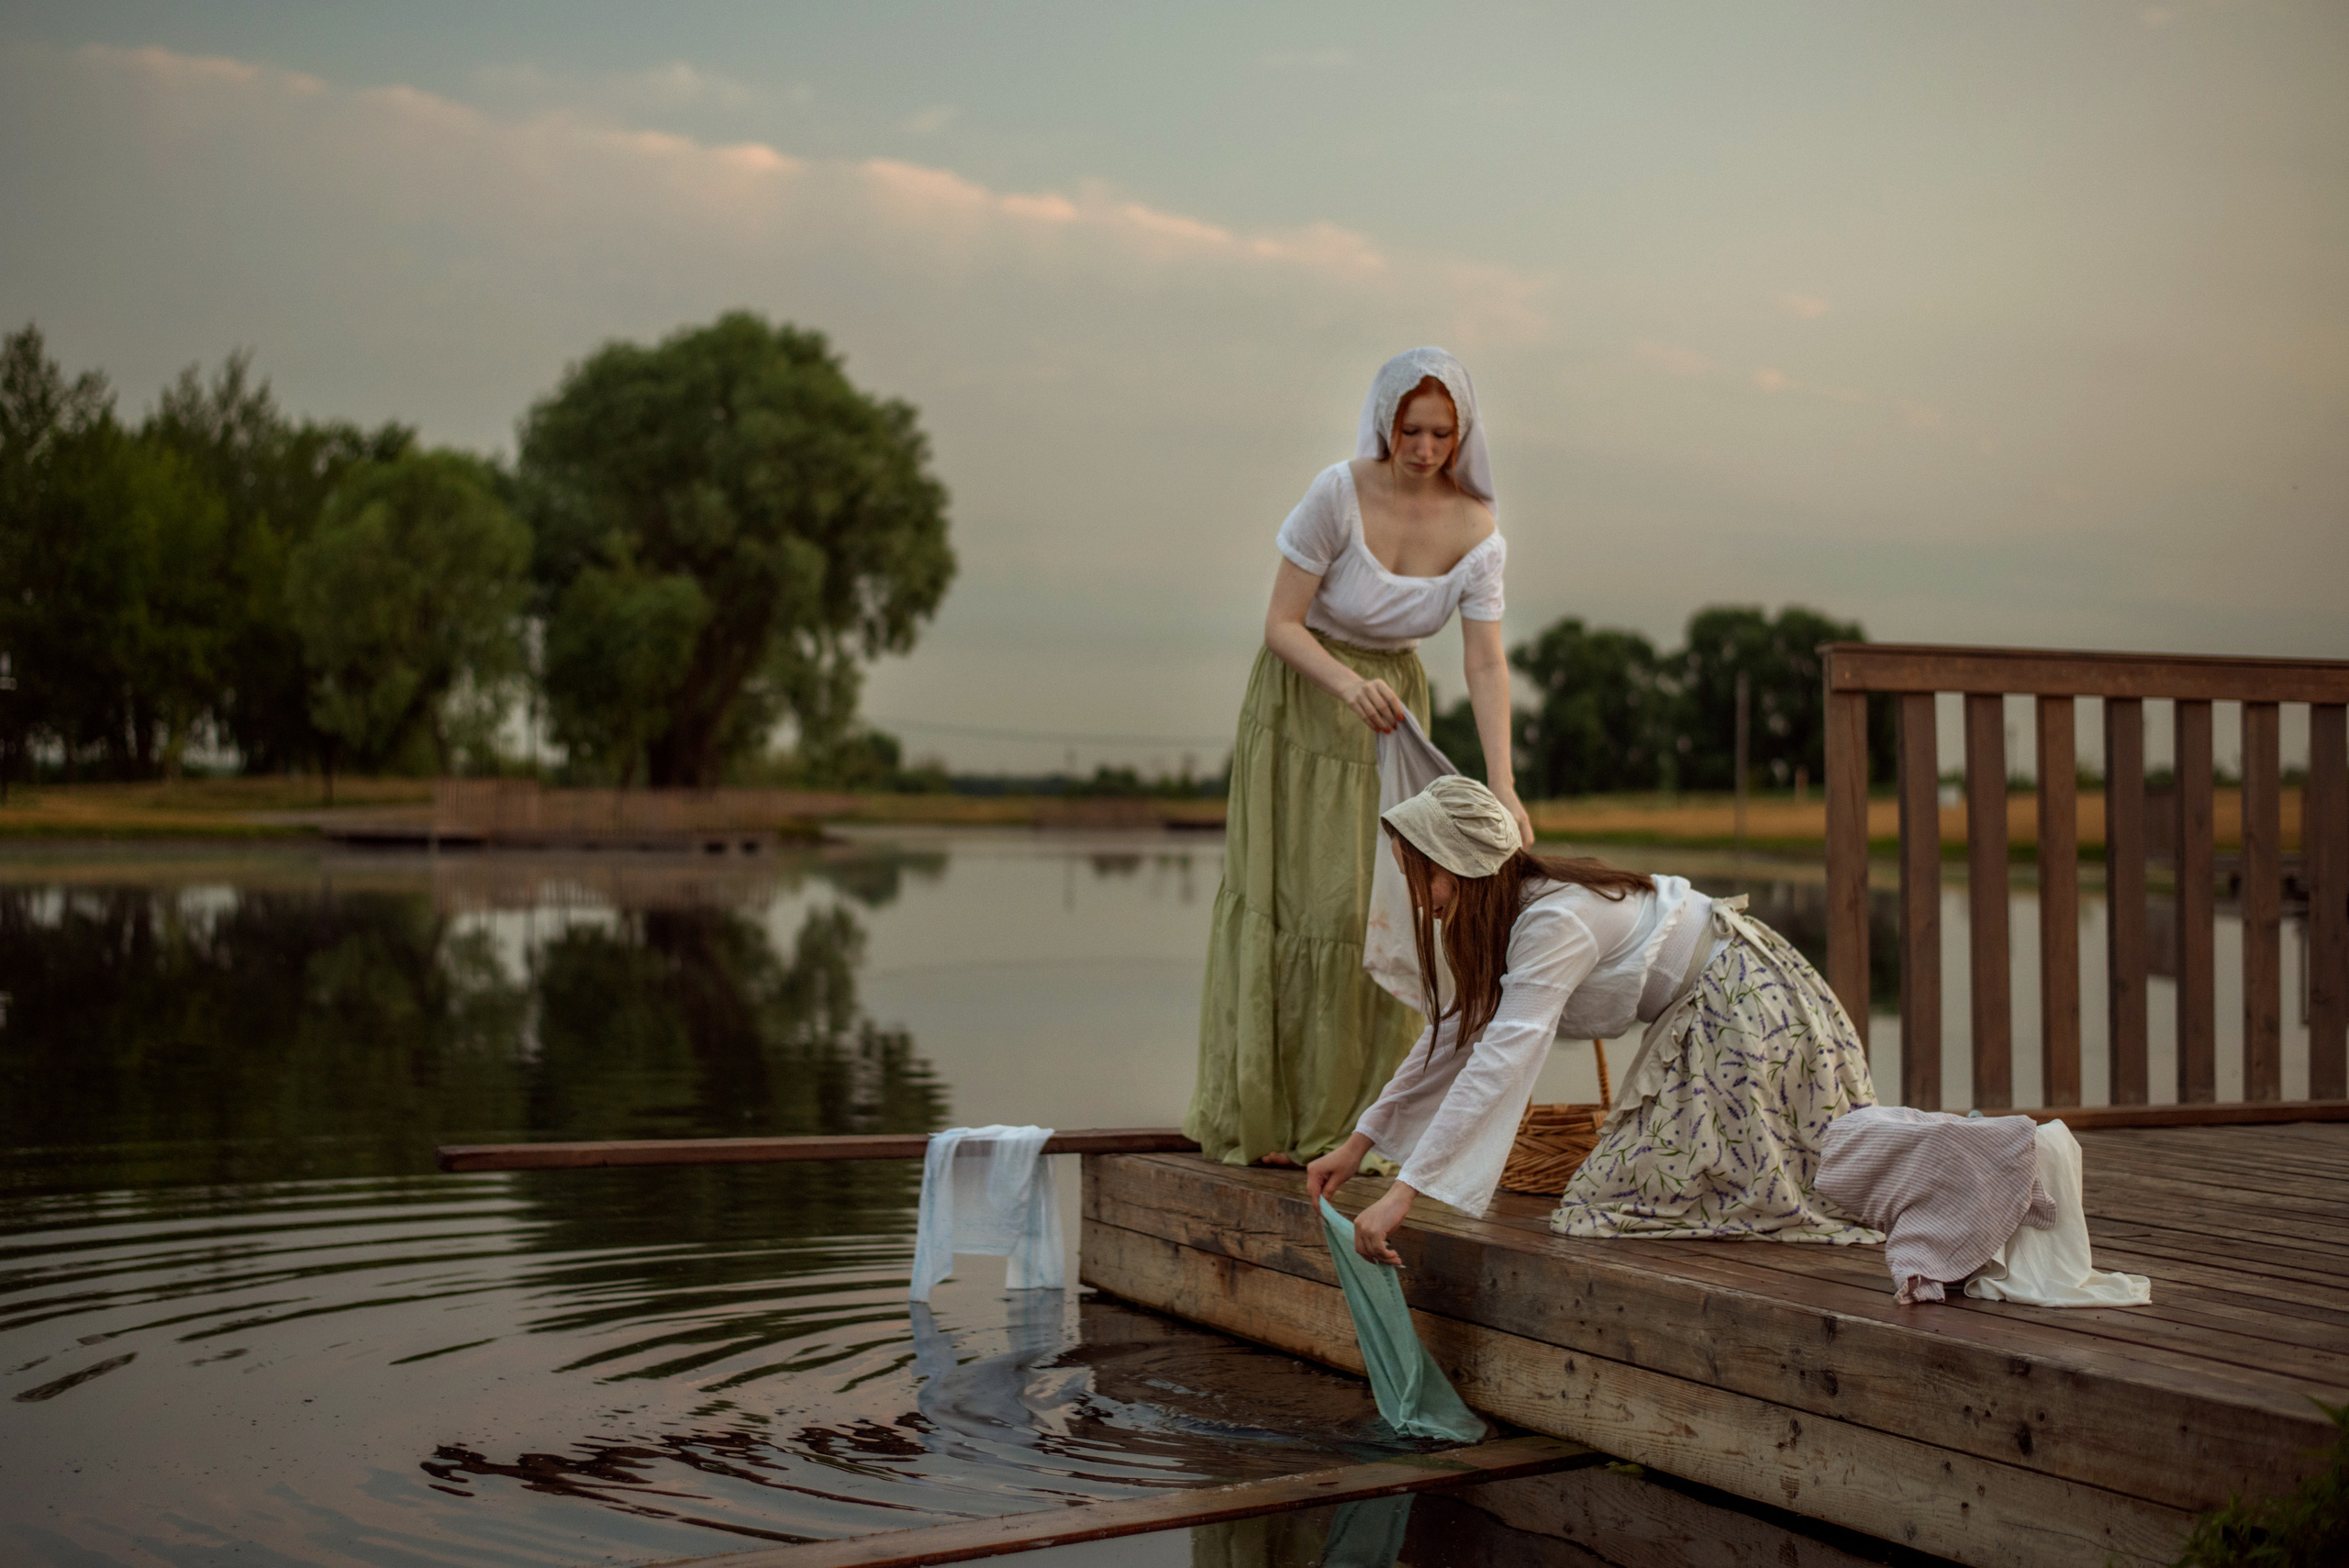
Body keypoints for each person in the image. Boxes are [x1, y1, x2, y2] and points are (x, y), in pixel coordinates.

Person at [1187, 348, 1532, 1171]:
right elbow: (1280, 622)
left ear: (1462, 434)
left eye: (1441, 433)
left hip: (1392, 722)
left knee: (1379, 910)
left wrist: (1504, 785)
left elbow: (1484, 663)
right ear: (1386, 421)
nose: (1422, 448)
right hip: (1304, 702)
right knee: (1298, 903)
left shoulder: (1479, 530)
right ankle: (1273, 1116)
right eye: (1409, 429)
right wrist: (1347, 683)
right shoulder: (1338, 492)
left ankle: (1360, 1127)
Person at [1305, 775, 1882, 1264]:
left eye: (1422, 876)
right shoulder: (1514, 911)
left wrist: (1405, 1193)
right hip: (1707, 1012)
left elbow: (1504, 1056)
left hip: (1741, 1007)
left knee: (1619, 1204)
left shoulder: (1555, 921)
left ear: (1465, 868)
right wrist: (1360, 1145)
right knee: (1633, 1198)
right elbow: (1453, 1035)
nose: (1419, 897)